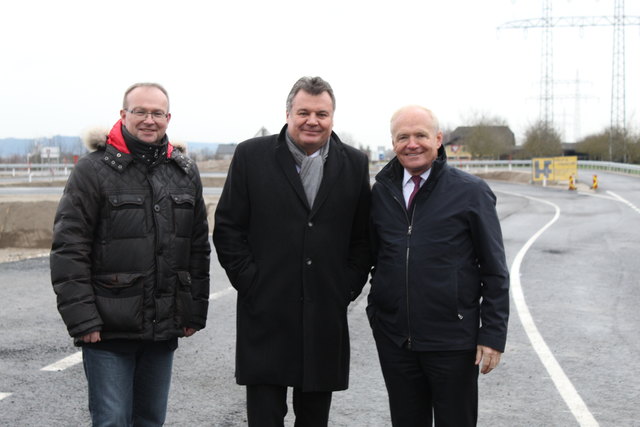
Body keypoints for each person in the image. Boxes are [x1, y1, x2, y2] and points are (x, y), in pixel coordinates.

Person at [213, 76, 371, 427]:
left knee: (314, 419)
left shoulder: (355, 164)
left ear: (332, 117)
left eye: (321, 113)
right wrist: (250, 281)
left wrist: (345, 287)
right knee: (265, 418)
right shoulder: (251, 156)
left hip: (324, 314)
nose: (312, 120)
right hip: (266, 311)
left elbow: (363, 238)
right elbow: (228, 227)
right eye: (303, 112)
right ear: (288, 113)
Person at [50, 82, 211, 427]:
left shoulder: (184, 172)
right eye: (140, 111)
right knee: (112, 420)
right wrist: (83, 320)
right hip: (107, 329)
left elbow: (197, 247)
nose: (148, 120)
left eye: (156, 113)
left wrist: (193, 311)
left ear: (168, 118)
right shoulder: (92, 171)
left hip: (162, 328)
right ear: (124, 115)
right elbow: (69, 249)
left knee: (150, 420)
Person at [367, 105, 509, 427]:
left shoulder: (471, 192)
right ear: (393, 143)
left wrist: (492, 334)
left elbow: (494, 269)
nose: (412, 144)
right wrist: (378, 312)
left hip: (453, 343)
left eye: (421, 135)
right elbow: (375, 259)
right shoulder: (381, 193)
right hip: (396, 342)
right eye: (403, 137)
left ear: (438, 139)